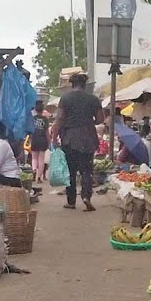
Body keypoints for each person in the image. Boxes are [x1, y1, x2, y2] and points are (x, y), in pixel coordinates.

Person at [51, 72, 104, 211]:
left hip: (70, 138)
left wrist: (54, 137)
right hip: (88, 137)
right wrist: (87, 120)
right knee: (87, 170)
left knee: (71, 171)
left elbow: (60, 119)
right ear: (84, 85)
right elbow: (100, 120)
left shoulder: (66, 98)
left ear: (72, 84)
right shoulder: (93, 99)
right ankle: (86, 197)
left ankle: (71, 201)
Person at [29, 101, 50, 183]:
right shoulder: (45, 120)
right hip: (43, 140)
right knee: (41, 159)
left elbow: (30, 130)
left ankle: (34, 170)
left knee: (34, 158)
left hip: (34, 139)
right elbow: (46, 132)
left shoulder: (32, 119)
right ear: (42, 109)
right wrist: (49, 141)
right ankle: (38, 177)